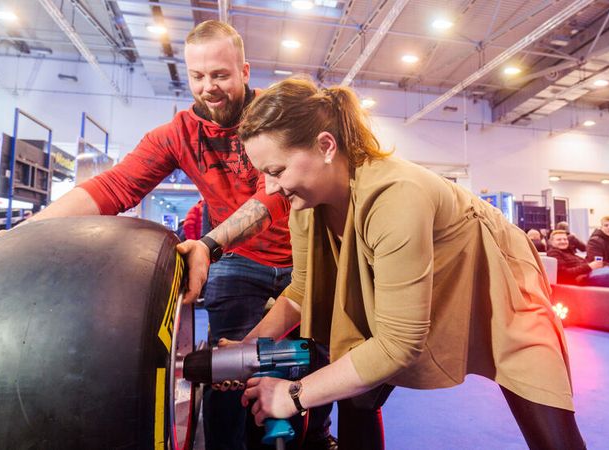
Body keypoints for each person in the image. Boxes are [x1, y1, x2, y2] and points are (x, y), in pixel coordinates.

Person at [18, 21, 332, 450]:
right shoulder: (178, 134)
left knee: (317, 362)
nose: (208, 87)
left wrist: (208, 244)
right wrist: (26, 233)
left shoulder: (273, 118)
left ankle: (318, 437)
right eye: (197, 76)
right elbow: (115, 186)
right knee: (227, 370)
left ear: (244, 71)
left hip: (305, 257)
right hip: (240, 261)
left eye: (220, 75)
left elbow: (274, 195)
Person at [228, 78, 585, 449]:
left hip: (499, 277)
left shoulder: (396, 195)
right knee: (353, 386)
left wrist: (294, 394)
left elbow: (398, 345)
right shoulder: (305, 205)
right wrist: (246, 348)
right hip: (419, 274)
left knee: (547, 424)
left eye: (277, 170)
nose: (270, 187)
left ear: (326, 146)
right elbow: (302, 290)